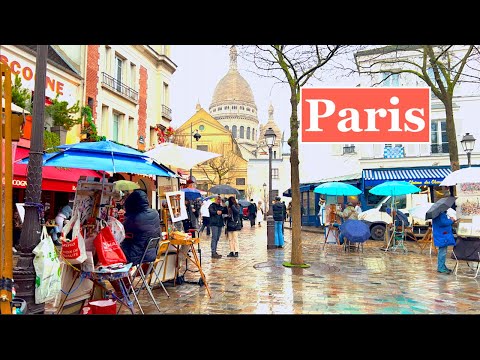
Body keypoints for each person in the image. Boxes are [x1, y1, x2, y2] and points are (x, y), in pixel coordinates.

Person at [120, 189, 160, 266]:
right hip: (151, 253)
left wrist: (127, 215)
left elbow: (123, 229)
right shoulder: (155, 213)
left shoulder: (135, 218)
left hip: (135, 254)